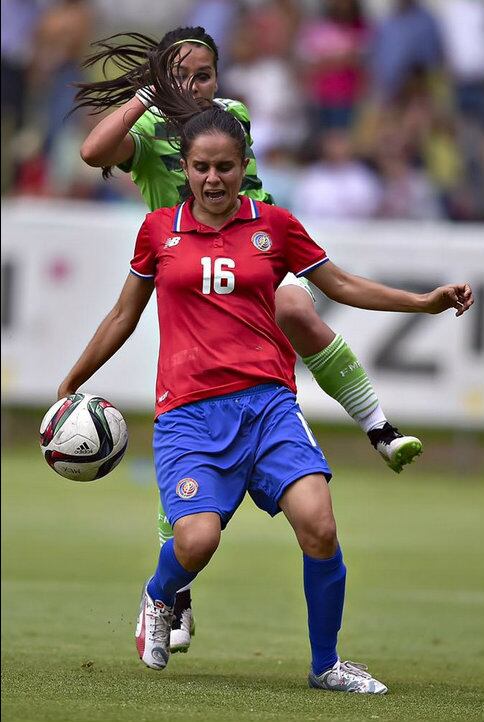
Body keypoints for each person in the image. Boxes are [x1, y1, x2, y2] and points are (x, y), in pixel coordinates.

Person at [57, 56, 473, 691]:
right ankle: (160, 594)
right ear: (185, 168)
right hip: (189, 413)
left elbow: (341, 285)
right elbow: (122, 315)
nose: (214, 179)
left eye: (226, 166)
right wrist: (72, 382)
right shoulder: (158, 232)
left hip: (270, 406)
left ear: (245, 163)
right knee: (196, 543)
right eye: (202, 167)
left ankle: (326, 665)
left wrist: (424, 302)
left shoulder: (275, 226)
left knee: (320, 526)